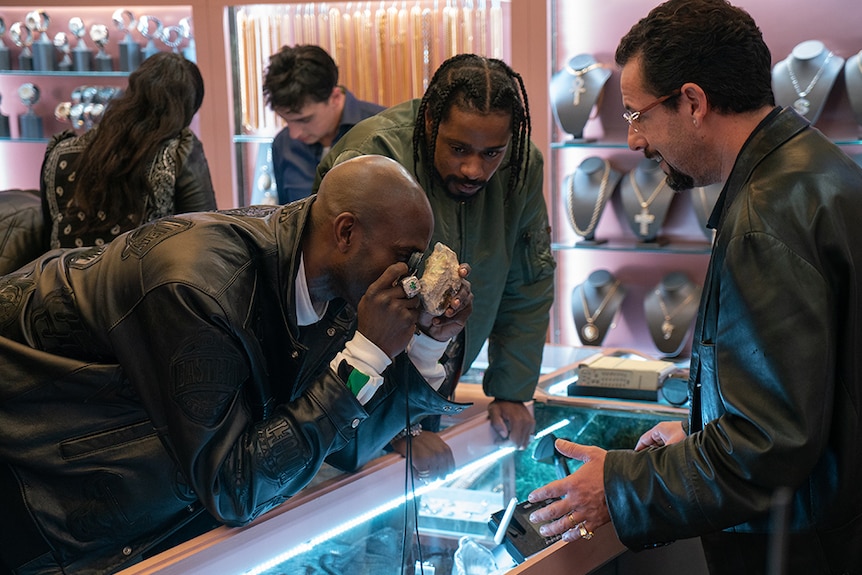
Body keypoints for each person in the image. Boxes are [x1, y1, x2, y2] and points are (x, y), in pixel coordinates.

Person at [0, 154, 473, 575]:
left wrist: (429, 343)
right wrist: (367, 355)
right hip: (39, 492)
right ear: (346, 231)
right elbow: (235, 487)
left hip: (148, 509)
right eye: (404, 256)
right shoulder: (198, 288)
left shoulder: (337, 281)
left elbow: (345, 448)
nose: (411, 276)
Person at [527, 1, 862, 573]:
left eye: (636, 115)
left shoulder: (766, 218)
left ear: (693, 102)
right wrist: (703, 427)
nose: (633, 141)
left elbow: (767, 445)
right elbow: (808, 394)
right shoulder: (815, 172)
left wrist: (618, 484)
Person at [315, 54, 556, 479]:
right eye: (459, 148)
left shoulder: (521, 165)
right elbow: (332, 308)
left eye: (491, 153)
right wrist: (396, 427)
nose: (473, 169)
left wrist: (511, 390)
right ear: (430, 124)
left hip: (437, 386)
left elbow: (528, 282)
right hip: (342, 409)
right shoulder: (372, 155)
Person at [40, 51, 216, 250]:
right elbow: (205, 239)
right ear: (186, 110)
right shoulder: (178, 151)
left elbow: (47, 238)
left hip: (60, 278)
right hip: (144, 279)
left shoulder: (59, 150)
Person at [262, 44, 384, 204]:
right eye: (286, 120)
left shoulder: (382, 131)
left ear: (335, 97)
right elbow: (288, 223)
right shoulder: (283, 145)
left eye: (304, 120)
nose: (294, 133)